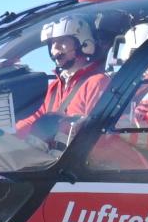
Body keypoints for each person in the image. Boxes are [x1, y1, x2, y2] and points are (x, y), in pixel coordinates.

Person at [14, 15, 109, 145]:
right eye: (52, 43)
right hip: (51, 157)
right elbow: (35, 118)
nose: (55, 49)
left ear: (83, 43)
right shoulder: (55, 86)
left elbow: (95, 133)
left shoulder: (97, 82)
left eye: (62, 41)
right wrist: (11, 136)